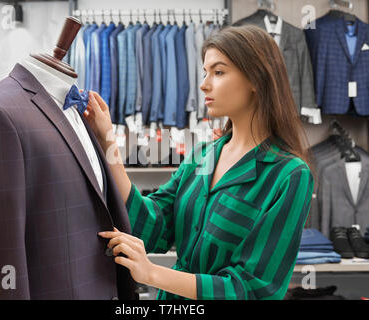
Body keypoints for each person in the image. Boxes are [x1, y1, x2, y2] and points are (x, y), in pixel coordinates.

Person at [86, 25, 315, 300]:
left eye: (218, 72)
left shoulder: (288, 175)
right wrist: (107, 140)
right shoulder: (202, 156)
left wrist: (153, 274)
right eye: (205, 72)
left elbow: (254, 289)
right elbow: (153, 225)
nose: (204, 84)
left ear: (257, 78)